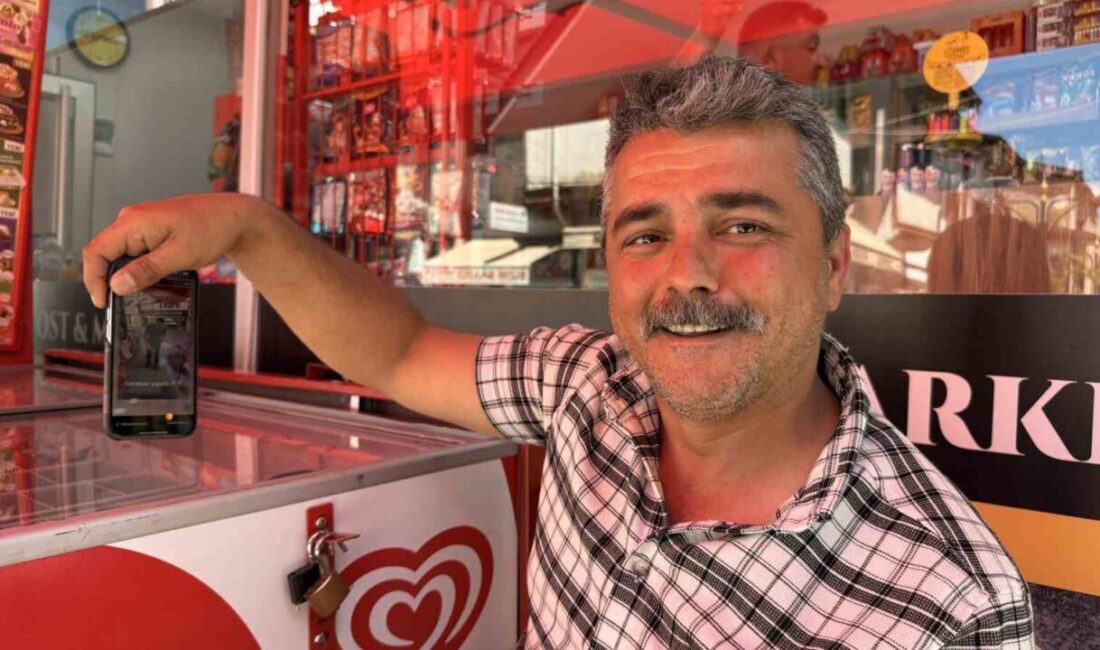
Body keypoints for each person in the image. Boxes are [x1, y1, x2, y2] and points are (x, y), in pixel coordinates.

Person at [83, 57, 1034, 648]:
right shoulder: (586, 384)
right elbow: (400, 351)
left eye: (743, 225)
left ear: (832, 266)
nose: (688, 274)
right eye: (646, 234)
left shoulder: (948, 607)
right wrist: (248, 228)